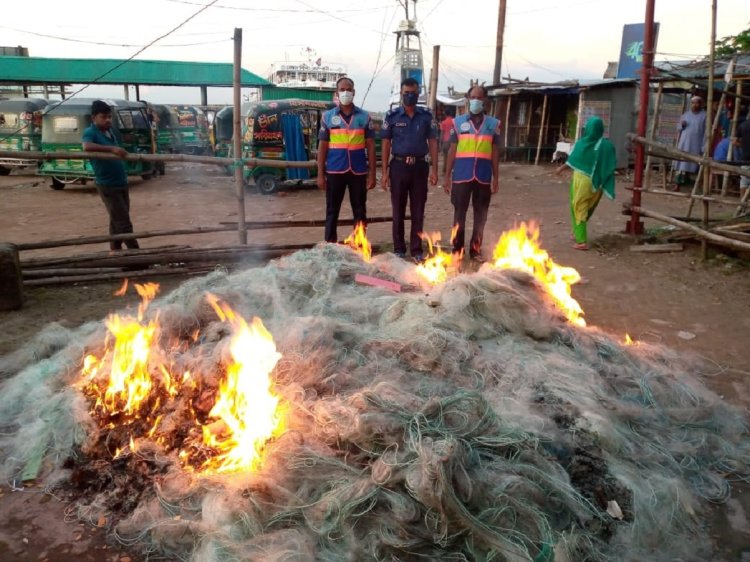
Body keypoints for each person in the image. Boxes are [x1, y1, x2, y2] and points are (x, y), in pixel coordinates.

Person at [380, 78, 438, 261]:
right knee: (398, 209)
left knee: (418, 210)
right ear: (401, 94)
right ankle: (398, 248)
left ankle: (416, 249)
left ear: (418, 92)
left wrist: (435, 169)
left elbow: (433, 143)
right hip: (398, 166)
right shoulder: (392, 116)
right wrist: (385, 172)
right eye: (406, 94)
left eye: (413, 93)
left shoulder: (427, 116)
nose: (410, 96)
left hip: (420, 167)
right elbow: (386, 144)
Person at [442, 85, 501, 262]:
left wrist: (496, 177)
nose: (475, 100)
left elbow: (495, 152)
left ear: (485, 100)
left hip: (483, 176)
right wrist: (447, 176)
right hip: (461, 176)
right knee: (459, 214)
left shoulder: (494, 124)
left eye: (479, 97)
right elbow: (452, 150)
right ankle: (457, 250)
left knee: (480, 216)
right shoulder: (457, 122)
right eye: (472, 97)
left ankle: (475, 250)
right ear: (468, 98)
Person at [317, 77, 376, 243]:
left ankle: (360, 245)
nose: (345, 93)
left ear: (354, 92)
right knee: (332, 211)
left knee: (359, 210)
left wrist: (372, 174)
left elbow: (370, 146)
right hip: (335, 170)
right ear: (336, 93)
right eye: (341, 90)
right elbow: (323, 147)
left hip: (358, 171)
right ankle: (330, 247)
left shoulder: (364, 117)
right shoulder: (327, 117)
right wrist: (320, 174)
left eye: (348, 89)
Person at [82, 100, 139, 251]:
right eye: (103, 117)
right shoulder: (90, 132)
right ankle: (138, 258)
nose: (107, 120)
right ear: (94, 118)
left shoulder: (110, 131)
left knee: (116, 221)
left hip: (121, 182)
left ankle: (115, 252)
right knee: (124, 223)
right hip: (107, 184)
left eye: (109, 117)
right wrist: (112, 149)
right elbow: (86, 146)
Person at [555, 116, 617, 251]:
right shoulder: (607, 146)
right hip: (598, 184)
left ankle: (581, 241)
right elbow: (610, 165)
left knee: (578, 207)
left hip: (582, 182)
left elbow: (572, 160)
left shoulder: (582, 143)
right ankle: (577, 232)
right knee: (589, 207)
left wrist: (560, 169)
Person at [672, 95, 706, 191]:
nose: (695, 105)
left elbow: (706, 132)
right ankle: (678, 184)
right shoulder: (685, 115)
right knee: (681, 163)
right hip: (684, 142)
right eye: (693, 103)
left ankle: (692, 187)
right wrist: (681, 125)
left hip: (696, 144)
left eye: (697, 103)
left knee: (693, 163)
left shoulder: (705, 115)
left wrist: (703, 147)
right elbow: (678, 127)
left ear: (700, 104)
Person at [439, 108, 455, 173]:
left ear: (445, 114)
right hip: (453, 142)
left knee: (445, 157)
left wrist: (440, 142)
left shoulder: (443, 122)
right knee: (452, 156)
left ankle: (444, 169)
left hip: (445, 141)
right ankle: (452, 169)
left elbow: (442, 133)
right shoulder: (454, 121)